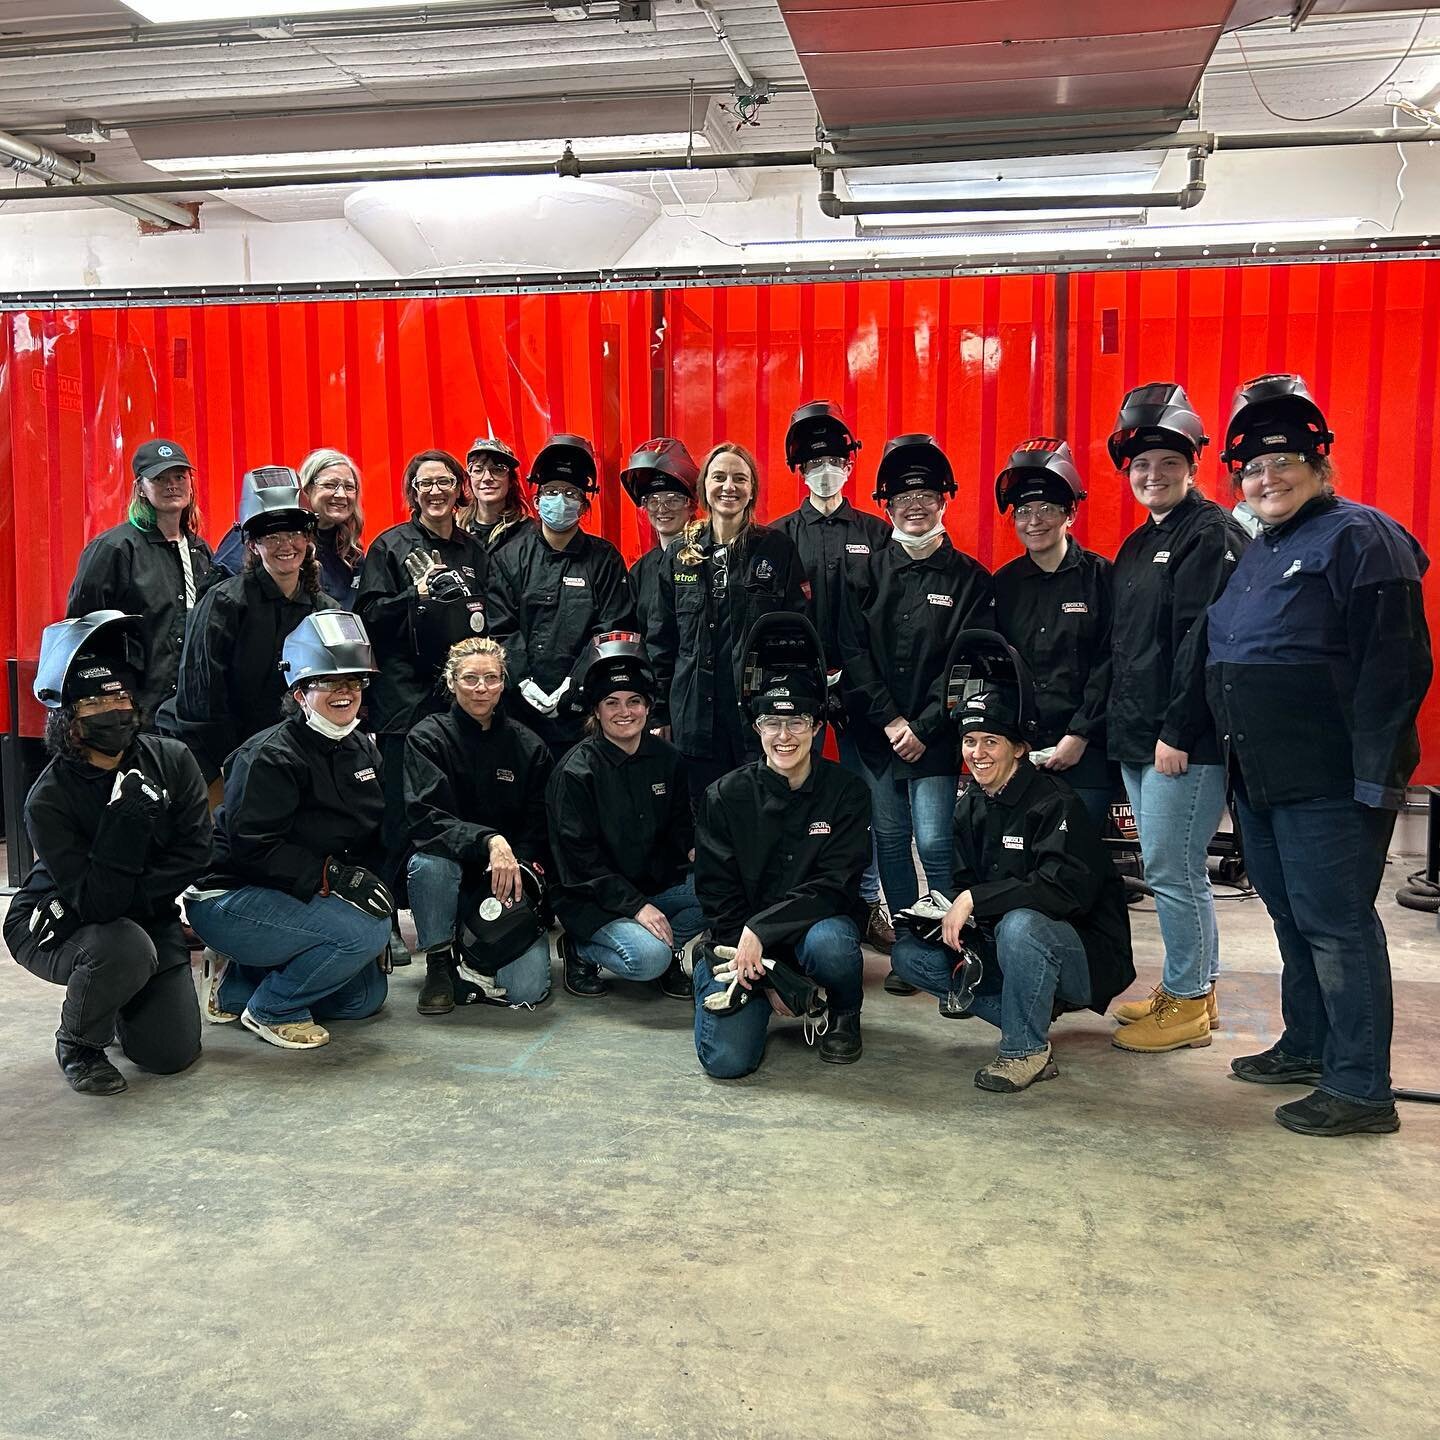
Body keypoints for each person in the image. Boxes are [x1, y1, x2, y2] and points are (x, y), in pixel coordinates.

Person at [1208, 374, 1432, 1136]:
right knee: (1290, 917)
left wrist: (1376, 782)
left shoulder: (1361, 536)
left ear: (1319, 465)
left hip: (1332, 783)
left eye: (1284, 462)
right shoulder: (1266, 547)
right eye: (1252, 469)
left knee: (1337, 927)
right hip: (1265, 780)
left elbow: (1397, 669)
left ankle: (1361, 1087)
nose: (1267, 478)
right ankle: (1306, 1043)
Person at [889, 636, 1134, 1092]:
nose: (977, 753)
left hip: (1084, 954)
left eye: (990, 742)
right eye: (968, 741)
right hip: (1007, 943)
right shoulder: (970, 806)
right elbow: (966, 886)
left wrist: (974, 900)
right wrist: (949, 925)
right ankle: (1029, 1015)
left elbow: (1063, 894)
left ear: (1019, 748)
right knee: (909, 956)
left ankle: (1026, 1051)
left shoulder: (1055, 803)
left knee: (1021, 925)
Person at [4, 612, 211, 1095]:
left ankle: (117, 996)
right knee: (124, 948)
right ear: (67, 718)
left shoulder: (171, 759)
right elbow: (97, 905)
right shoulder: (48, 799)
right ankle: (78, 1042)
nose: (113, 710)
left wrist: (143, 897)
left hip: (144, 914)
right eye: (94, 702)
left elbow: (197, 852)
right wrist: (124, 823)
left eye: (119, 697)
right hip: (60, 920)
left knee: (170, 1055)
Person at [1105, 383, 1248, 1053]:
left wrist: (1175, 731)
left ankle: (1188, 1004)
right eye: (1141, 466)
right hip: (1140, 737)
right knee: (1173, 871)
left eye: (1167, 462)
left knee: (1172, 871)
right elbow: (1127, 647)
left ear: (1192, 463)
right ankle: (1195, 989)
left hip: (1181, 743)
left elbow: (1201, 640)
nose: (1152, 475)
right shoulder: (1139, 544)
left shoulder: (1210, 532)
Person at [184, 613, 391, 1051]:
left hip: (295, 891)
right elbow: (252, 849)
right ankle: (272, 1010)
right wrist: (332, 878)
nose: (346, 693)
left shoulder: (360, 748)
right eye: (329, 682)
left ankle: (237, 985)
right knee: (364, 934)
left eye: (354, 682)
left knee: (365, 998)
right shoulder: (269, 756)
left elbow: (370, 829)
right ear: (299, 692)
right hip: (231, 894)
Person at [838, 433, 994, 994]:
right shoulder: (865, 572)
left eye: (927, 493)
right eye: (902, 497)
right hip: (878, 736)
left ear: (944, 500)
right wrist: (889, 720)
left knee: (933, 842)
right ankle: (911, 949)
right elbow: (852, 651)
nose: (914, 504)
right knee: (889, 839)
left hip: (937, 737)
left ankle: (951, 944)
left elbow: (967, 660)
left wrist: (924, 725)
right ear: (886, 504)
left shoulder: (971, 579)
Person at [691, 614, 872, 1075]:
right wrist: (766, 970)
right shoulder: (725, 796)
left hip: (809, 932)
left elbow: (836, 886)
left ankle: (844, 1014)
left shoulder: (847, 794)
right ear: (756, 728)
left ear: (817, 728)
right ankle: (735, 982)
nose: (784, 736)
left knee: (834, 942)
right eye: (772, 722)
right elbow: (717, 896)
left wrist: (765, 929)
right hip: (739, 942)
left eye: (797, 722)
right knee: (726, 1062)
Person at [355, 448, 488, 965]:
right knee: (392, 814)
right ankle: (383, 919)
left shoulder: (474, 551)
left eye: (444, 482)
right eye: (424, 483)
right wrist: (415, 596)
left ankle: (449, 920)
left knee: (447, 808)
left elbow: (486, 618)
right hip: (400, 701)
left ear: (460, 491)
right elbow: (367, 617)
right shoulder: (390, 546)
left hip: (456, 702)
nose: (435, 491)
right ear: (413, 492)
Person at [774, 401, 893, 951]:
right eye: (814, 460)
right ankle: (797, 899)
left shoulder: (877, 532)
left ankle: (870, 903)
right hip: (797, 692)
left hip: (863, 692)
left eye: (835, 460)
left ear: (850, 467)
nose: (826, 469)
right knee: (792, 794)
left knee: (867, 802)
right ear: (799, 469)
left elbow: (891, 617)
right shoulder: (776, 538)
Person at [158, 477, 336, 810]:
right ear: (252, 545)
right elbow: (200, 700)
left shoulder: (325, 609)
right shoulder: (223, 603)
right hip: (217, 757)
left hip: (294, 758)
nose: (286, 544)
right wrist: (233, 764)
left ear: (308, 539)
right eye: (272, 536)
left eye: (295, 533)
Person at [546, 633, 702, 999]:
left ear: (648, 707)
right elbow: (579, 863)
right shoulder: (575, 773)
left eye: (634, 701)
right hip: (591, 899)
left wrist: (701, 853)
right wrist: (636, 907)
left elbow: (682, 828)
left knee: (727, 890)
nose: (624, 712)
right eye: (611, 702)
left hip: (651, 886)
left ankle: (665, 950)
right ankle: (580, 949)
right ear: (596, 711)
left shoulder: (668, 759)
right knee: (647, 959)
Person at [405, 637, 555, 1016]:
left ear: (504, 682)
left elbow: (539, 828)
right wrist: (488, 840)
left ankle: (471, 963)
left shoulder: (530, 746)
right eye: (470, 678)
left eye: (491, 678)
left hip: (507, 880)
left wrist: (518, 867)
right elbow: (426, 818)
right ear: (451, 682)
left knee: (527, 989)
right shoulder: (426, 738)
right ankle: (440, 962)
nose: (481, 688)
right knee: (428, 864)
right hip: (450, 876)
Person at [648, 442, 806, 802]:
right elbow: (662, 641)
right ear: (704, 486)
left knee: (760, 821)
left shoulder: (777, 549)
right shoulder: (679, 553)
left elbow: (795, 636)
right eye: (719, 477)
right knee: (703, 821)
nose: (728, 486)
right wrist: (659, 714)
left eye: (740, 478)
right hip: (694, 720)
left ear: (752, 490)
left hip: (757, 721)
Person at [992, 437, 1114, 829]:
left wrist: (1079, 735)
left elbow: (1110, 663)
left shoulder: (1103, 579)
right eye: (1024, 510)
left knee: (1078, 858)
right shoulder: (1002, 586)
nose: (1034, 520)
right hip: (1020, 751)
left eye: (1047, 508)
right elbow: (994, 668)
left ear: (1070, 514)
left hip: (1087, 750)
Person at [486, 434, 635, 753]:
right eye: (552, 492)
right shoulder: (509, 558)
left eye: (570, 493)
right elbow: (500, 627)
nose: (561, 500)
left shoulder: (604, 559)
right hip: (519, 712)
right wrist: (522, 681)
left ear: (584, 504)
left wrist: (576, 684)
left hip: (584, 714)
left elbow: (613, 628)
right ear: (537, 502)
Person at [66, 438, 214, 716]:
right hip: (136, 709)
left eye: (179, 476)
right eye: (159, 478)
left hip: (190, 709)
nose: (172, 485)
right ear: (141, 489)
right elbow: (83, 631)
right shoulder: (114, 549)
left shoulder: (201, 550)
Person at [620, 437, 700, 720]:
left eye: (673, 499)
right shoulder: (640, 571)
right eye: (653, 500)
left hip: (701, 696)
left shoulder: (709, 560)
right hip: (653, 702)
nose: (662, 508)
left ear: (692, 505)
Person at [298, 448, 367, 606]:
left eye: (349, 487)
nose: (341, 495)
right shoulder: (287, 545)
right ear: (307, 489)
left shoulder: (352, 552)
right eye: (330, 485)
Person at [462, 435, 533, 554]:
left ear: (510, 481)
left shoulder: (529, 533)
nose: (487, 478)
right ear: (470, 479)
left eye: (498, 470)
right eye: (478, 470)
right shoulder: (455, 528)